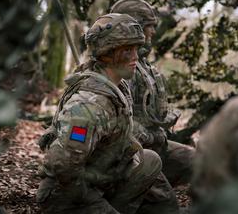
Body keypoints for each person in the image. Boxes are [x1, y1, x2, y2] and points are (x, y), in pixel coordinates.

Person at [36, 13, 165, 214]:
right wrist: (90, 198)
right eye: (127, 51)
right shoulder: (88, 108)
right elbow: (62, 166)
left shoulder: (116, 87)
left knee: (149, 160)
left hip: (96, 179)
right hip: (67, 197)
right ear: (106, 54)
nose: (135, 57)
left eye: (136, 49)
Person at [110, 0, 195, 186]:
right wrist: (153, 135)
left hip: (156, 146)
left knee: (200, 162)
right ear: (137, 27)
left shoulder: (143, 65)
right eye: (150, 25)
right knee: (166, 203)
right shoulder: (120, 68)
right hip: (132, 154)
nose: (154, 31)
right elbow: (118, 123)